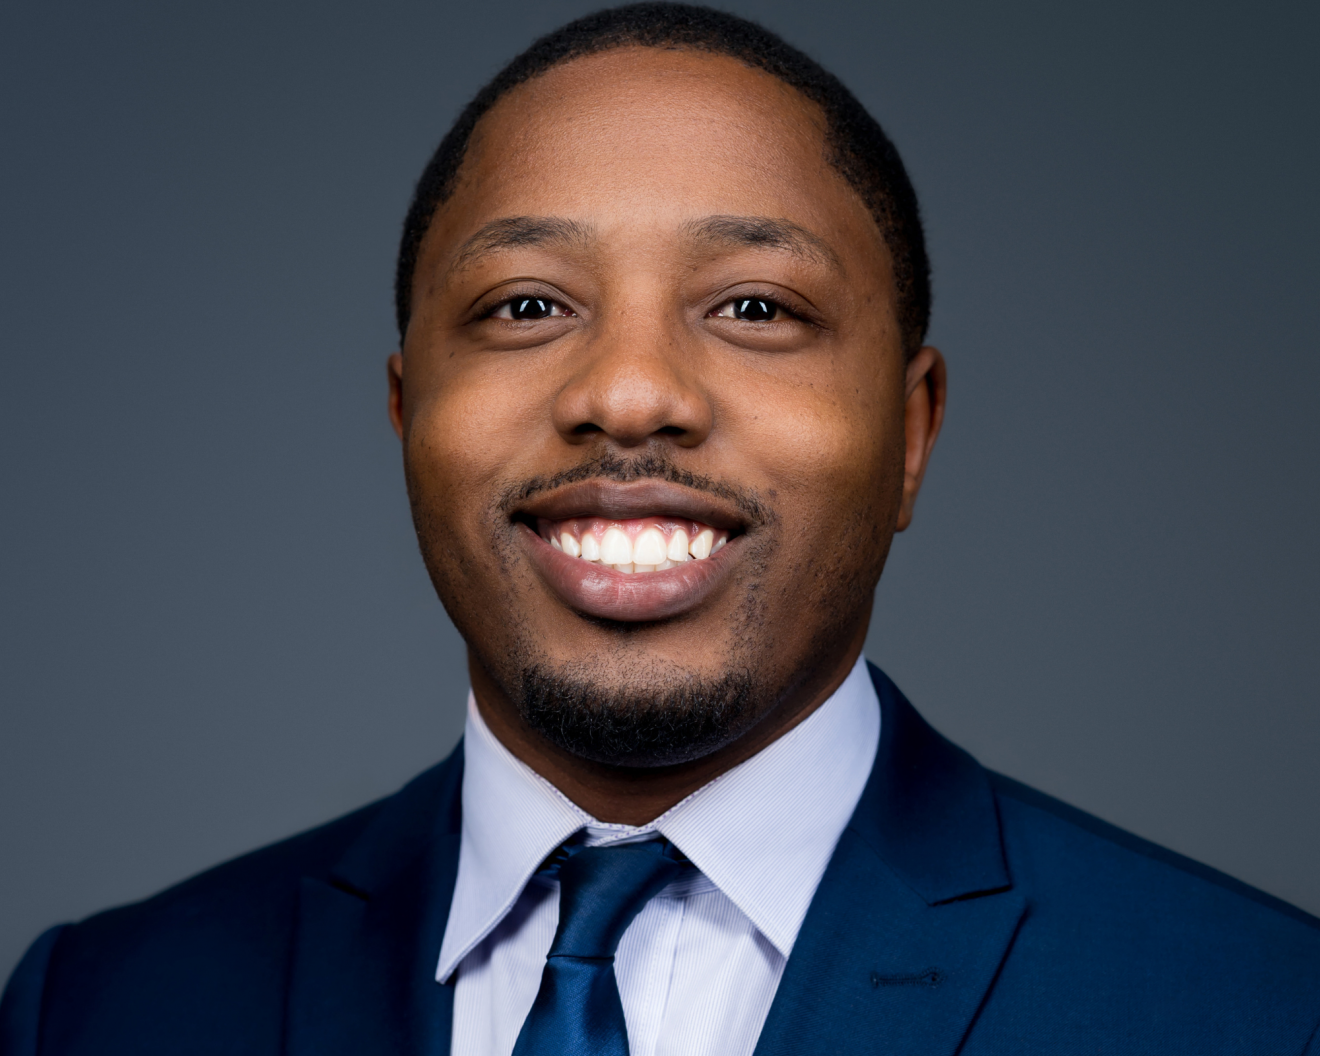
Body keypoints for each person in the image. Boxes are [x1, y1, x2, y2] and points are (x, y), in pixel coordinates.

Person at [3, 4, 1318, 1053]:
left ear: (912, 433)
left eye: (753, 307)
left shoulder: (1261, 1010)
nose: (628, 394)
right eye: (526, 306)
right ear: (407, 414)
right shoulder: (100, 1010)